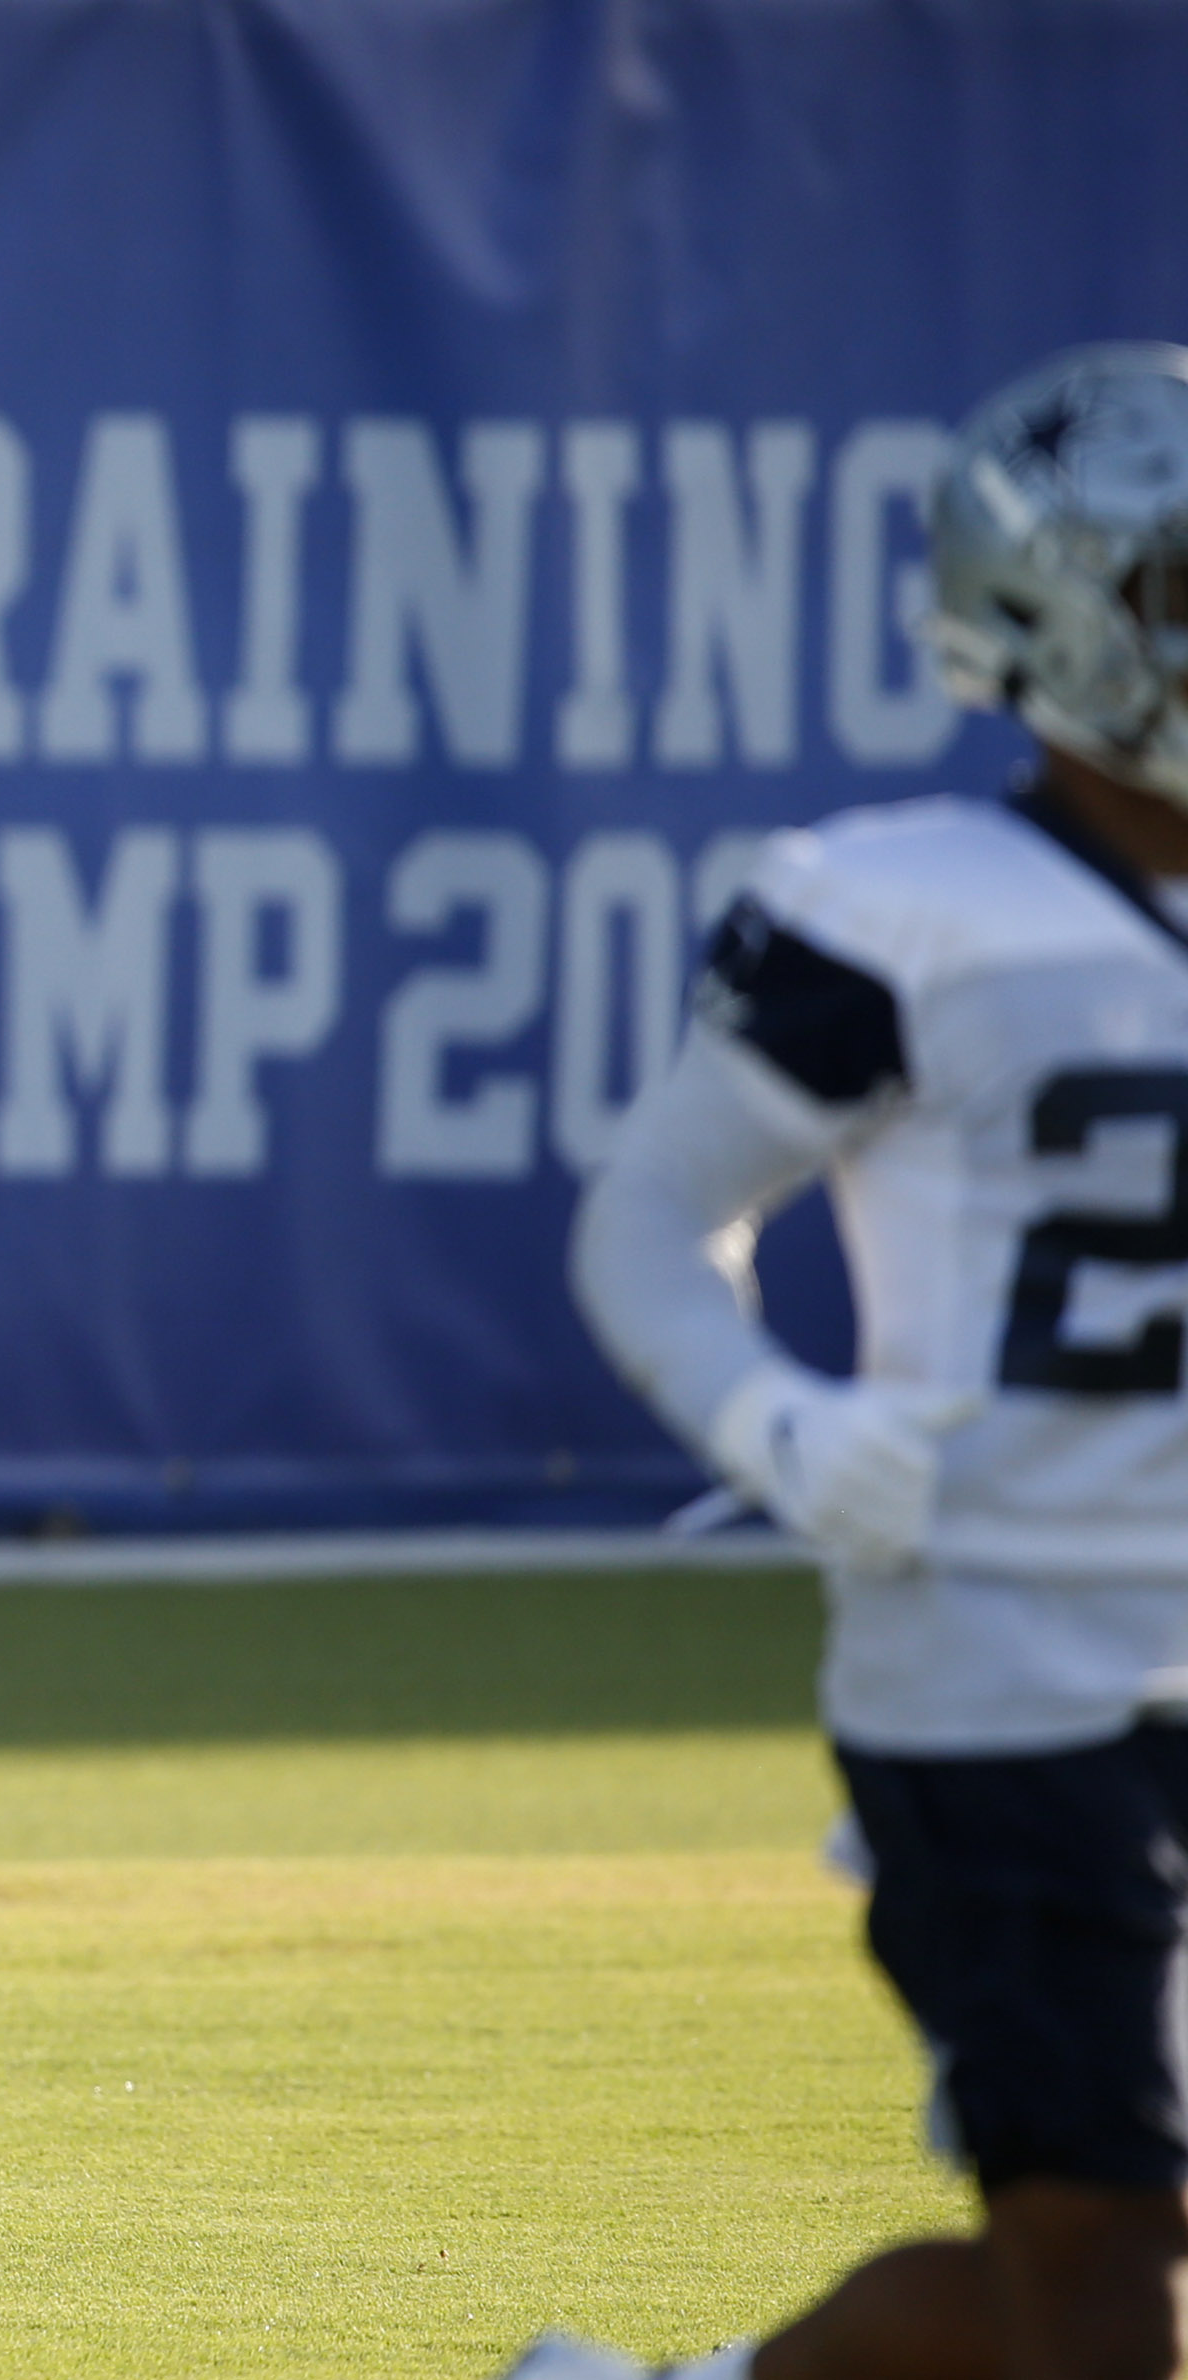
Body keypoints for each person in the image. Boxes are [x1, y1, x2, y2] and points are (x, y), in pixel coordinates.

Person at [530, 343, 1188, 2380]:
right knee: (1101, 2264)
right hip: (1003, 1675)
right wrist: (774, 1420)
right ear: (1049, 616)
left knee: (1071, 2287)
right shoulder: (901, 907)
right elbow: (646, 1218)